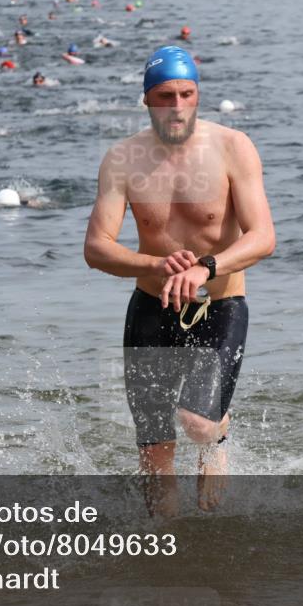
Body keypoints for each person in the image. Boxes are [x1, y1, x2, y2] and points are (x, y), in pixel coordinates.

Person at [84, 46, 275, 514]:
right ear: (147, 100)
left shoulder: (233, 147)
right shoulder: (123, 159)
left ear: (198, 95)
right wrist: (154, 264)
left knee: (196, 422)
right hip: (151, 305)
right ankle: (163, 558)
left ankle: (216, 437)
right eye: (166, 96)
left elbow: (264, 236)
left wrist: (205, 266)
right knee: (154, 455)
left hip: (220, 303)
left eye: (187, 94)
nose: (177, 106)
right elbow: (96, 248)